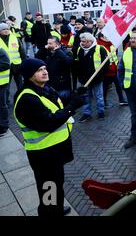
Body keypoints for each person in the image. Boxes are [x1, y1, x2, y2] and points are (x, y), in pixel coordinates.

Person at [13, 58, 86, 216]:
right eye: (39, 70)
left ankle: (57, 210)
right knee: (49, 189)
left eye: (44, 68)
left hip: (54, 152)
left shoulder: (44, 88)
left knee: (57, 184)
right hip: (43, 156)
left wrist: (74, 96)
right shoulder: (27, 99)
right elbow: (48, 123)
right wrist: (72, 107)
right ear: (29, 75)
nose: (45, 71)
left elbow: (56, 104)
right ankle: (50, 213)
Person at [75, 33, 109, 122]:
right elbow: (78, 64)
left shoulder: (100, 49)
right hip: (84, 79)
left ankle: (101, 112)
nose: (81, 43)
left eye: (83, 42)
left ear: (90, 41)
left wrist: (99, 75)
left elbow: (106, 64)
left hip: (97, 79)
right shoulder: (80, 49)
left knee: (99, 96)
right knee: (86, 96)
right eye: (81, 41)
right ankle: (87, 113)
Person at [36, 36, 74, 103]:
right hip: (50, 83)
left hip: (62, 84)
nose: (48, 45)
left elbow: (69, 62)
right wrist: (43, 49)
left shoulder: (65, 52)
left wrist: (58, 51)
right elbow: (37, 58)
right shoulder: (46, 51)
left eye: (50, 43)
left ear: (57, 44)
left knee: (65, 105)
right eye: (47, 43)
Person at [0, 22, 25, 93]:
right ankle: (6, 102)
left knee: (20, 84)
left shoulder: (15, 38)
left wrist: (24, 63)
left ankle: (21, 99)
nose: (6, 30)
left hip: (17, 65)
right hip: (5, 67)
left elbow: (22, 52)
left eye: (7, 29)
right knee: (6, 87)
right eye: (3, 29)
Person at [0, 48, 10, 136]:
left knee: (2, 105)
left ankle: (4, 126)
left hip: (2, 83)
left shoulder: (1, 51)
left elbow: (6, 64)